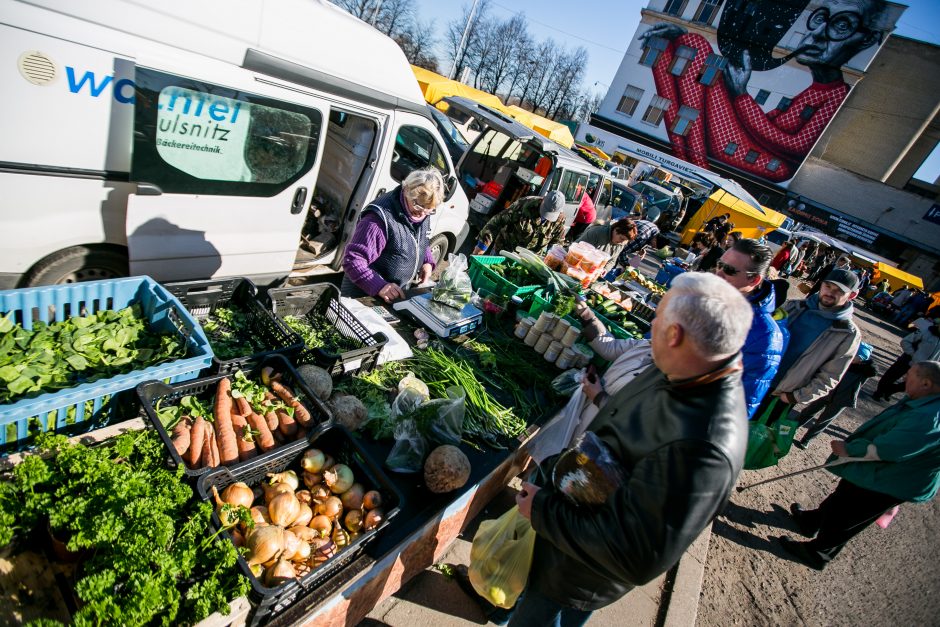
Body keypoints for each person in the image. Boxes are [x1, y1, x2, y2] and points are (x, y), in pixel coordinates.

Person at [507, 273, 751, 625]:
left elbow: (635, 554)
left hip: (578, 574)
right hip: (564, 541)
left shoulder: (702, 448)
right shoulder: (679, 369)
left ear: (675, 335)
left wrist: (544, 511)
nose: (651, 321)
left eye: (659, 315)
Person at [641, 1, 889, 182]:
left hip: (764, 160)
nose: (816, 34)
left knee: (695, 46)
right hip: (746, 143)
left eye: (841, 26)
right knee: (687, 49)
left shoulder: (834, 94)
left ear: (866, 40)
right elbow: (766, 125)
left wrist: (740, 95)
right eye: (818, 18)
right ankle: (691, 164)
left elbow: (794, 145)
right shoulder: (816, 90)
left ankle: (693, 165)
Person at [780, 360, 940, 570]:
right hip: (883, 471)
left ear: (926, 384)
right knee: (846, 494)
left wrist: (850, 450)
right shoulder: (925, 401)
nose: (904, 378)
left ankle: (819, 552)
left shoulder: (929, 417)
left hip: (892, 480)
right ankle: (814, 520)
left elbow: (890, 449)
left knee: (851, 513)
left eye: (910, 374)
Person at [756, 268, 862, 425]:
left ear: (852, 295)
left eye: (839, 291)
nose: (830, 293)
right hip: (757, 379)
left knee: (752, 439)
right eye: (828, 286)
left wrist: (796, 396)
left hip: (781, 395)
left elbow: (831, 375)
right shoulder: (793, 307)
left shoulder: (847, 333)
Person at [341, 168, 443, 302]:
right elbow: (353, 260)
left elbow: (421, 238)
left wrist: (426, 261)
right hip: (363, 296)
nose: (422, 214)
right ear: (406, 190)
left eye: (429, 210)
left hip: (395, 295)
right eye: (418, 207)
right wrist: (379, 286)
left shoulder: (422, 210)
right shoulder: (378, 220)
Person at [715, 239, 788, 417]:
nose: (719, 273)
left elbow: (742, 404)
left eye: (729, 270)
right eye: (719, 264)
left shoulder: (766, 335)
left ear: (754, 279)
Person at [794, 342, 877, 448]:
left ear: (863, 360)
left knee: (823, 421)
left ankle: (806, 439)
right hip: (826, 392)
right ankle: (791, 428)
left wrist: (869, 364)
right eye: (855, 355)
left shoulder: (864, 371)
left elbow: (873, 371)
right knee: (808, 411)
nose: (855, 359)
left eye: (859, 357)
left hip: (842, 400)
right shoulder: (842, 363)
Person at [472, 191, 566, 256]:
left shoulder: (560, 220)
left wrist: (551, 257)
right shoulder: (523, 205)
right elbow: (496, 222)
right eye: (545, 210)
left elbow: (557, 243)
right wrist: (482, 246)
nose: (545, 216)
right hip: (503, 251)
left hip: (528, 262)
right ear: (543, 199)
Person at [873, 322, 940, 401]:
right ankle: (879, 392)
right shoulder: (926, 331)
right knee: (890, 377)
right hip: (908, 360)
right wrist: (913, 354)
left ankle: (889, 391)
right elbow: (905, 341)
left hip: (924, 368)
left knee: (911, 384)